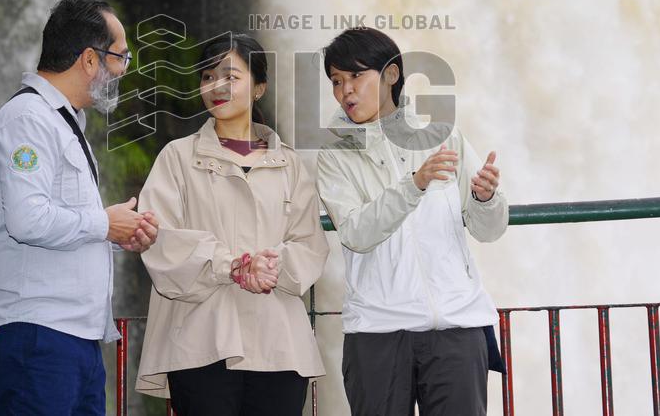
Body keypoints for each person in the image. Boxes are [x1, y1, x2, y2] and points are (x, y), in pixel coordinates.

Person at [0, 0, 158, 416]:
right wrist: (105, 225)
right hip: (36, 338)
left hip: (69, 338)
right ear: (90, 60)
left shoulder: (61, 120)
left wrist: (118, 231)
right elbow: (27, 219)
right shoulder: (29, 119)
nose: (123, 70)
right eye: (120, 58)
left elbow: (58, 223)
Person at [315, 27, 508, 416]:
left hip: (457, 327)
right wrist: (414, 184)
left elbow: (489, 230)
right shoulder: (335, 155)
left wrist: (484, 198)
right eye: (336, 81)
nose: (345, 90)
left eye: (356, 76)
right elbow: (355, 233)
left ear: (391, 75)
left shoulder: (442, 136)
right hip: (377, 332)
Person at [135, 33, 329, 416]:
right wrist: (234, 267)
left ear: (259, 87)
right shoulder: (176, 158)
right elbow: (159, 238)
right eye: (207, 77)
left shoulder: (289, 164)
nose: (215, 87)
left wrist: (270, 267)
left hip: (279, 348)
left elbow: (310, 244)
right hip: (201, 342)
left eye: (229, 76)